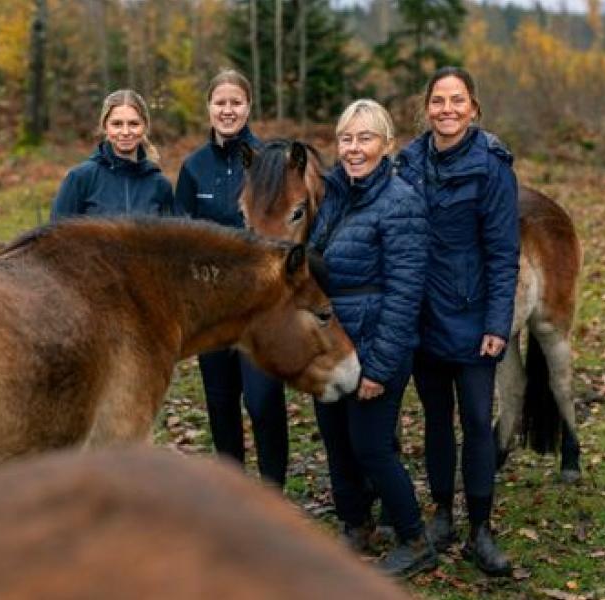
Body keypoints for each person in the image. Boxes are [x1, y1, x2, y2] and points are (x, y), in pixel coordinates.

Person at [395, 66, 520, 576]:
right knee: (435, 419)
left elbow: (503, 252)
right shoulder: (407, 162)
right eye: (438, 101)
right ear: (426, 108)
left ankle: (480, 531)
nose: (447, 110)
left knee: (475, 422)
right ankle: (443, 516)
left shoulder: (492, 166)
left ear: (474, 108)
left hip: (472, 318)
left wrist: (497, 323)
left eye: (457, 101)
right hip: (422, 314)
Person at [309, 99, 434, 578]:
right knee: (336, 440)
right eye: (346, 138)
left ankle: (414, 537)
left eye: (365, 138)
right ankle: (356, 525)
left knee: (372, 447)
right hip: (331, 346)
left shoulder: (400, 202)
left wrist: (378, 367)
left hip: (374, 344)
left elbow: (405, 294)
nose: (354, 148)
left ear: (387, 144)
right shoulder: (338, 194)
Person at [173, 70, 289, 488]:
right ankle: (233, 495)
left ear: (248, 107)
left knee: (263, 404)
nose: (227, 110)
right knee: (221, 407)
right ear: (209, 108)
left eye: (235, 102)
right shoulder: (193, 169)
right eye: (220, 102)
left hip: (260, 310)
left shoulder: (270, 162)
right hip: (213, 313)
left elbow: (285, 234)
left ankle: (273, 493)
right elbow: (180, 240)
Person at [51, 89, 172, 221]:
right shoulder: (81, 178)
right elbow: (56, 235)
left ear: (145, 126)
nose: (125, 132)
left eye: (133, 124)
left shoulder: (160, 185)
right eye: (117, 124)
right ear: (105, 126)